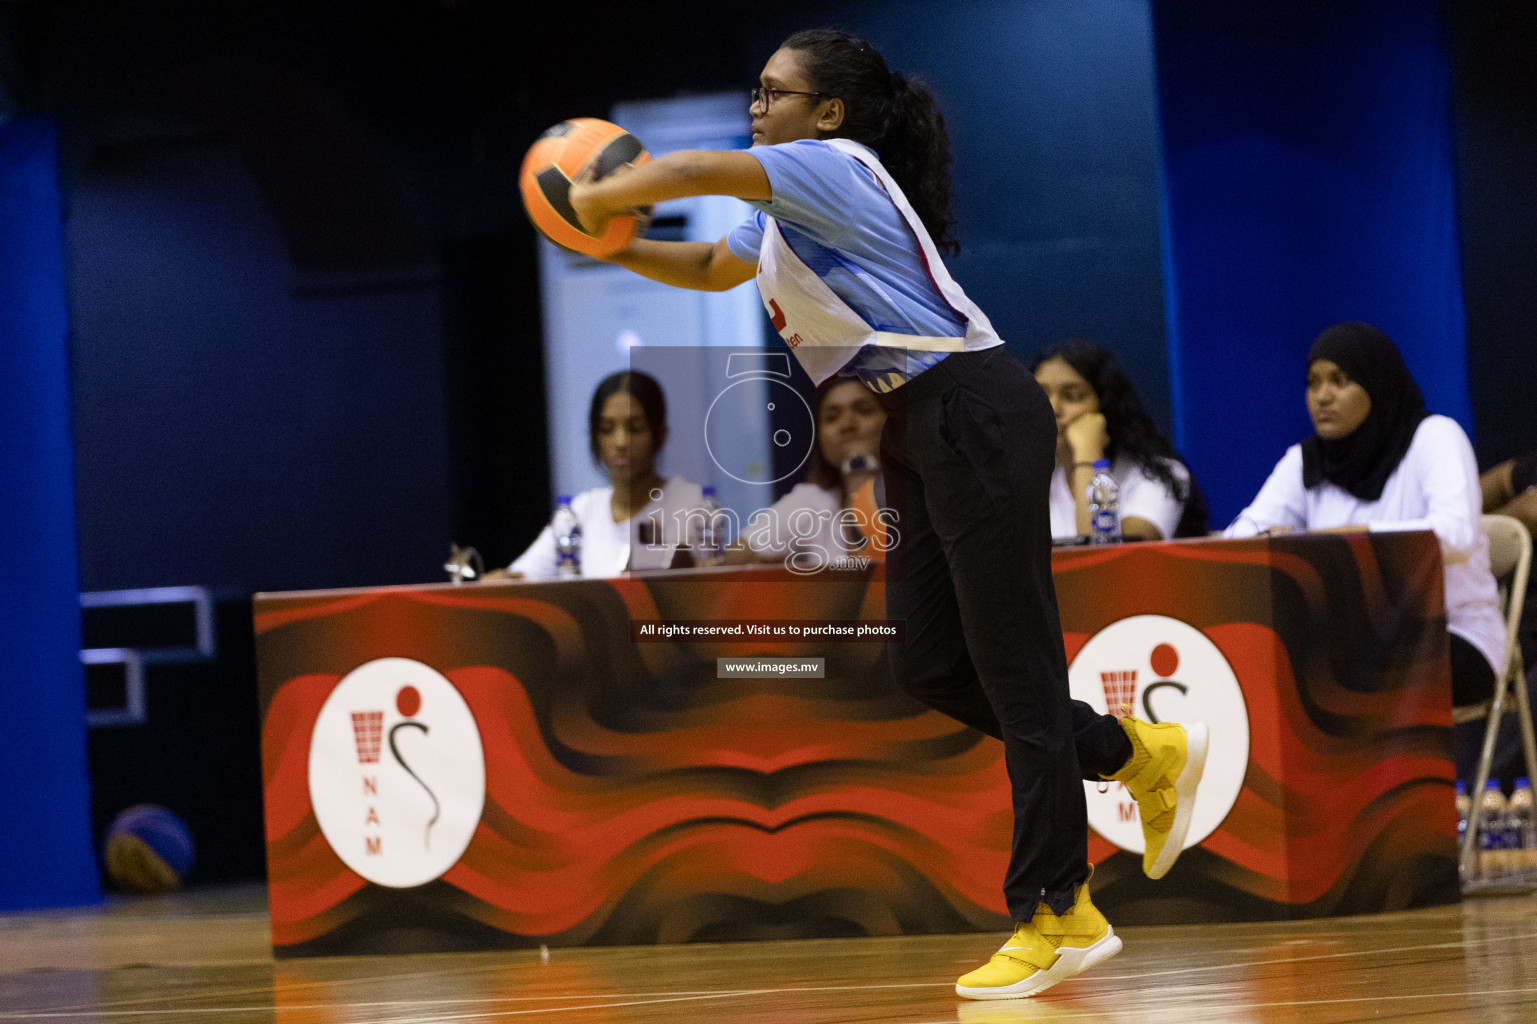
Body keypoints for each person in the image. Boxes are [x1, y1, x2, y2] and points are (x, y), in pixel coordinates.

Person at [567, 28, 1205, 1000]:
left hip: (968, 407)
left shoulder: (826, 165)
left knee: (1017, 671)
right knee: (934, 664)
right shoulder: (783, 218)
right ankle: (1136, 753)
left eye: (774, 93)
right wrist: (608, 238)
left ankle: (1057, 909)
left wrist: (607, 189)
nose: (757, 105)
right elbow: (708, 270)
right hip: (919, 426)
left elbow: (696, 167)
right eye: (755, 91)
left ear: (827, 111)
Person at [1225, 322, 1507, 750]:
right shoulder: (1306, 461)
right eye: (1313, 383)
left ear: (1376, 384)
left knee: (1328, 679)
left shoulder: (1434, 439)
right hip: (1351, 639)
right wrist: (1267, 536)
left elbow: (1456, 535)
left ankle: (1387, 813)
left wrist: (1352, 538)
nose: (1322, 396)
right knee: (1258, 664)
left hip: (1453, 635)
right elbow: (1236, 537)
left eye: (1340, 381)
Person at [504, 371, 703, 579]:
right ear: (594, 436)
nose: (620, 442)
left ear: (660, 435)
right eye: (607, 429)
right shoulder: (580, 511)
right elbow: (520, 576)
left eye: (635, 428)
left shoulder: (690, 504)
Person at [1032, 341, 1207, 541]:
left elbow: (1107, 561)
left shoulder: (1157, 476)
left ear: (1106, 407)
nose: (1052, 408)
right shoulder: (1032, 478)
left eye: (1072, 396)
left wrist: (1088, 456)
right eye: (1040, 395)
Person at [742, 377, 887, 568]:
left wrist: (863, 493)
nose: (847, 425)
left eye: (863, 410)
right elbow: (737, 555)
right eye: (832, 417)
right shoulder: (812, 500)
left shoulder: (919, 492)